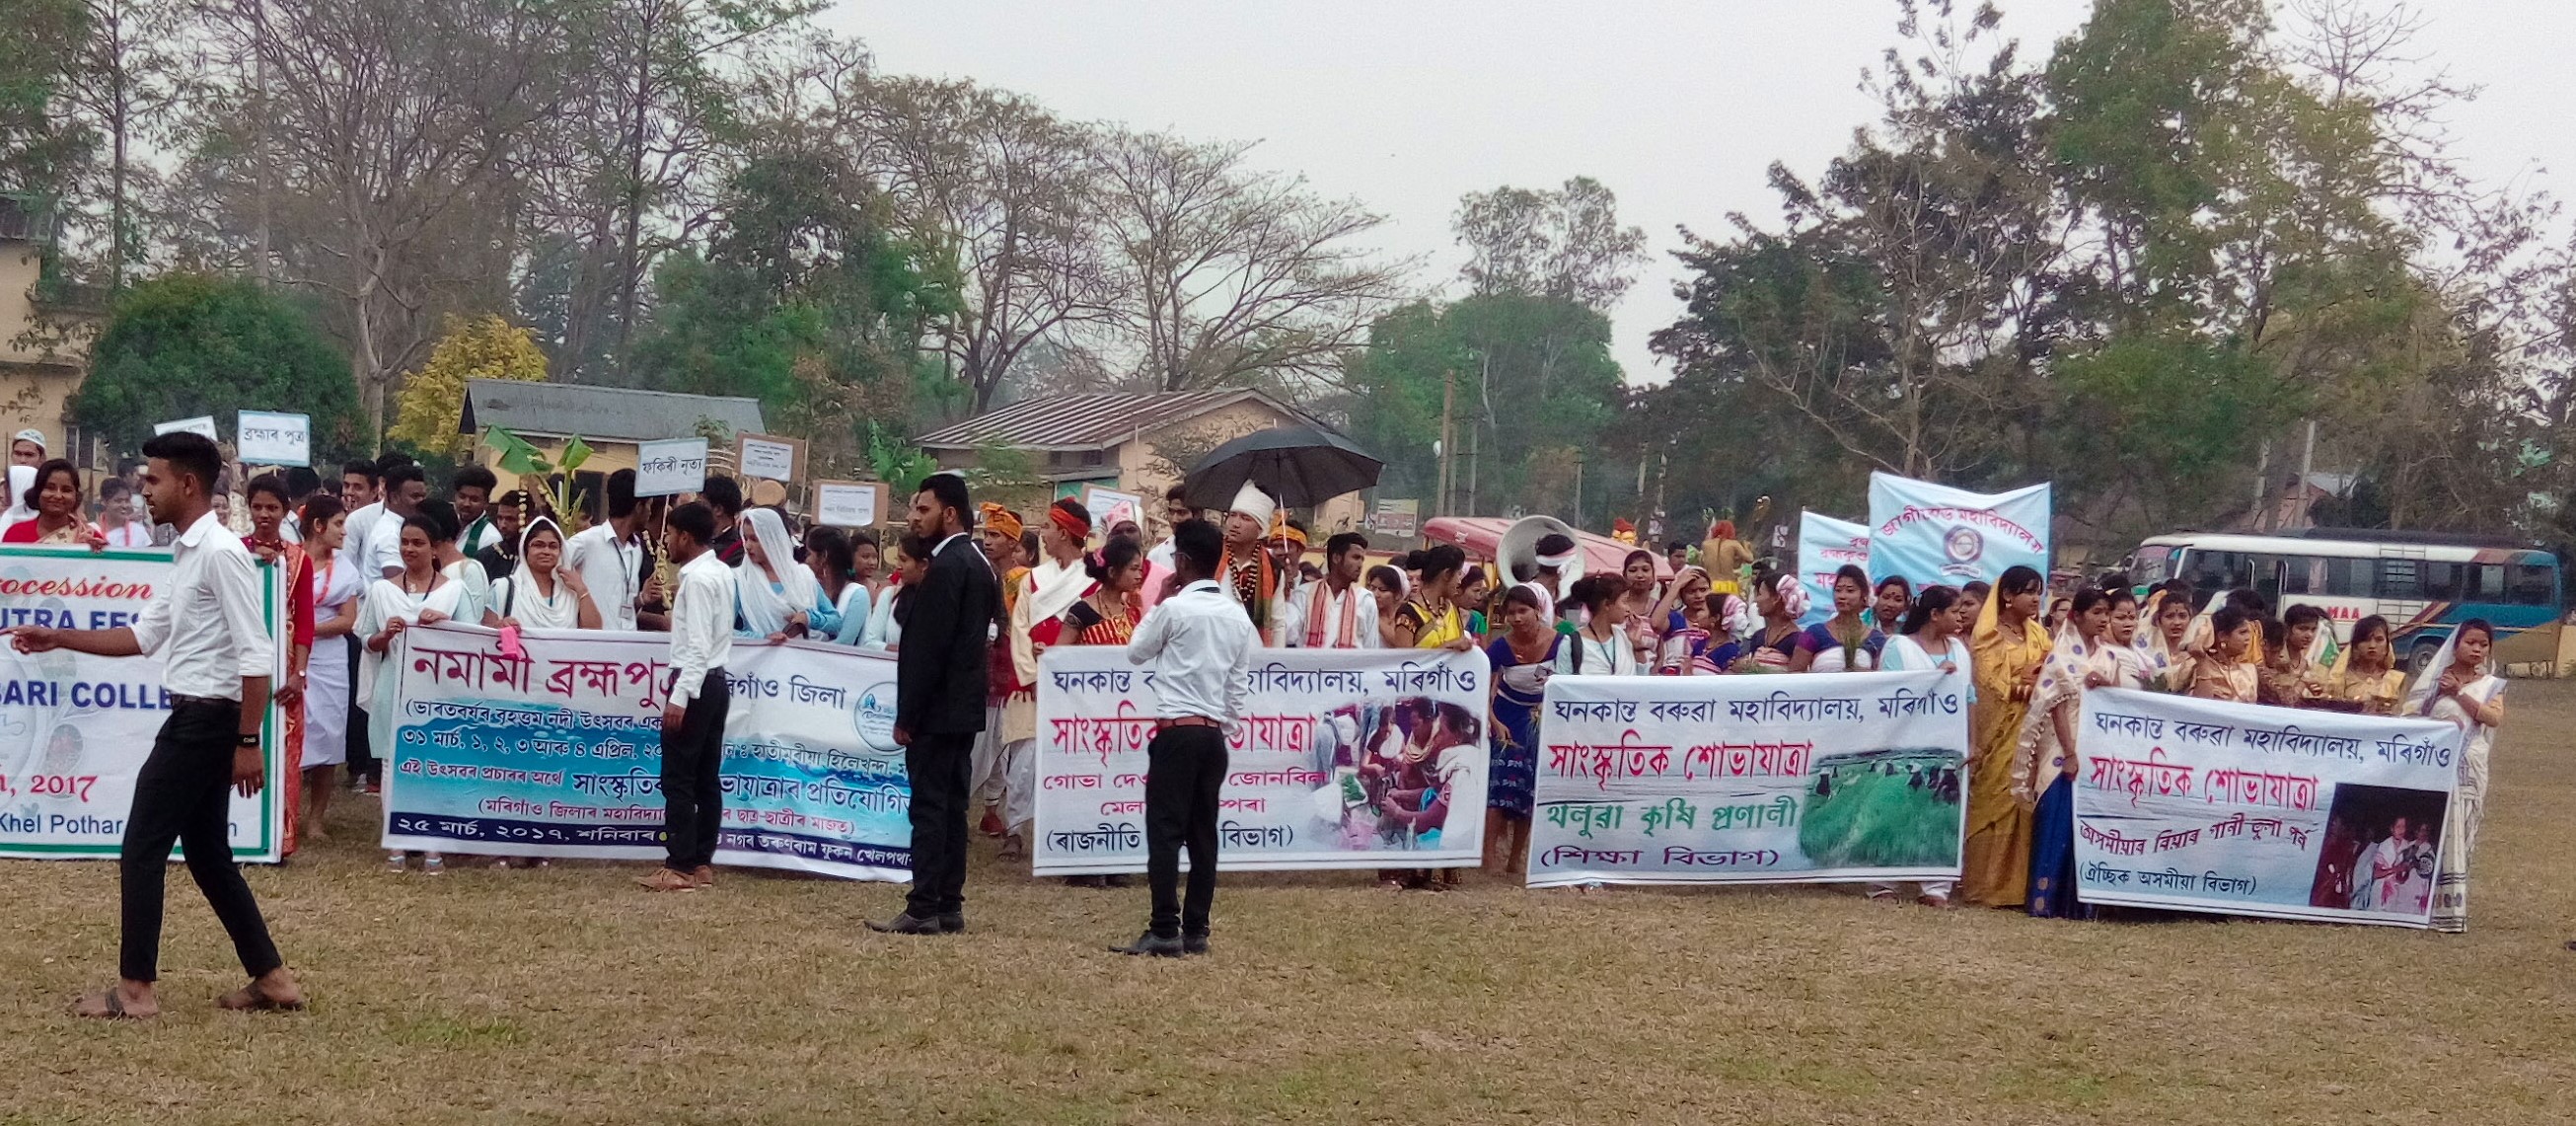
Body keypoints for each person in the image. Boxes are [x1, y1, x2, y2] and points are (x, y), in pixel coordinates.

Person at [6, 430, 304, 1019]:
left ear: (188, 484)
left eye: (154, 478)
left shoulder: (220, 553)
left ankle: (136, 990)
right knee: (208, 853)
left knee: (142, 846)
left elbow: (257, 656)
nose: (145, 489)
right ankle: (273, 979)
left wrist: (249, 740)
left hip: (207, 721)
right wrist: (57, 637)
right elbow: (144, 637)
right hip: (200, 717)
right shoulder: (189, 552)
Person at [1112, 518, 1257, 957]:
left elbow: (1137, 652)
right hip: (1213, 737)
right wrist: (1221, 726)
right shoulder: (1236, 615)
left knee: (1165, 831)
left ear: (1181, 561)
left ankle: (1164, 927)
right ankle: (1196, 930)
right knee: (1203, 833)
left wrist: (1158, 601)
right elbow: (1238, 686)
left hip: (1177, 731)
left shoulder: (1174, 610)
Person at [870, 474, 1000, 936]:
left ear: (949, 513)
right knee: (949, 808)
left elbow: (930, 650)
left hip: (937, 710)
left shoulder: (947, 567)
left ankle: (923, 905)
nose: (913, 517)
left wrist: (908, 715)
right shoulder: (981, 563)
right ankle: (948, 903)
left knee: (930, 808)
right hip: (962, 709)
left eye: (922, 510)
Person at [2016, 588, 2153, 919]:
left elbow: (2119, 702)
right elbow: (2056, 708)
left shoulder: (2108, 657)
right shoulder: (2060, 656)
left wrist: (2105, 684)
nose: (2103, 618)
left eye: (2106, 612)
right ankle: (2044, 901)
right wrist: (2069, 752)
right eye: (2096, 612)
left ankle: (2079, 904)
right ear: (2077, 616)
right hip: (2063, 747)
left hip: (2096, 746)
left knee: (2086, 826)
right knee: (2057, 820)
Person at [637, 502, 734, 892]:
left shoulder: (696, 580)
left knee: (678, 778)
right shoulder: (722, 572)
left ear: (686, 537)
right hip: (715, 681)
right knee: (707, 777)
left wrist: (679, 696)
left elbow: (696, 646)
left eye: (671, 535)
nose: (667, 543)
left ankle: (679, 864)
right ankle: (701, 863)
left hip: (694, 681)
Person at [361, 513, 466, 874]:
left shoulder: (454, 590)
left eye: (418, 543)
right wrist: (386, 635)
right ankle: (397, 843)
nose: (409, 549)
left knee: (434, 766)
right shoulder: (382, 590)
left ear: (435, 548)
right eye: (404, 542)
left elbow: (471, 641)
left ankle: (432, 843)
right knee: (392, 765)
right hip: (394, 687)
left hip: (439, 693)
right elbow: (367, 641)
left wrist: (445, 625)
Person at [998, 497, 1096, 859]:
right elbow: (1020, 628)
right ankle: (1015, 829)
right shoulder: (1033, 579)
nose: (1043, 534)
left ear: (1067, 534)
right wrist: (1033, 674)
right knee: (1023, 756)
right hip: (1031, 685)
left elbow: (1096, 628)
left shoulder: (1091, 580)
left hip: (1074, 686)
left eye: (1049, 528)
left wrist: (1063, 666)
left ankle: (1067, 828)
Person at [1870, 584, 1976, 907]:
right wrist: (1934, 677)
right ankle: (1882, 882)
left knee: (1942, 810)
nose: (1961, 617)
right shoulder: (1899, 647)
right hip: (1904, 743)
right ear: (1934, 614)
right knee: (1894, 808)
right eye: (1955, 611)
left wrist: (1974, 740)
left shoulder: (1959, 649)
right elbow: (1889, 694)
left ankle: (1935, 886)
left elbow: (1969, 696)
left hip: (1948, 745)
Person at [2408, 620, 2504, 934]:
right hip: (2435, 766)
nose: (2477, 649)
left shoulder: (2490, 684)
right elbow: (2412, 714)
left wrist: (2460, 693)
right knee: (2431, 829)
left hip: (2471, 766)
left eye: (2483, 644)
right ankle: (2418, 901)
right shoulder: (2437, 678)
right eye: (2471, 642)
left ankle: (2450, 909)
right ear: (2456, 643)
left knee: (2462, 831)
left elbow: (2493, 717)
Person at [1962, 564, 2049, 909]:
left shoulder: (2041, 635)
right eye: (2028, 591)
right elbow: (1991, 685)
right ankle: (1984, 885)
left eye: (2038, 591)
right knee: (1993, 796)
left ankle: (2016, 888)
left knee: (2023, 798)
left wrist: (2038, 680)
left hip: (2033, 730)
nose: (2035, 598)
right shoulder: (1988, 638)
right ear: (2008, 596)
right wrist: (2026, 684)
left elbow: (2054, 671)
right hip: (1999, 732)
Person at [242, 476, 314, 858]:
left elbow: (305, 622)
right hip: (239, 665)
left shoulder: (299, 559)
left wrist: (298, 674)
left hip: (285, 668)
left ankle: (279, 835)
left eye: (273, 508)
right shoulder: (235, 551)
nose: (265, 515)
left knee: (284, 750)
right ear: (249, 508)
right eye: (258, 507)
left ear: (285, 511)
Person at [1485, 584, 1560, 877]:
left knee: (1530, 788)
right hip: (1506, 718)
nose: (1516, 618)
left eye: (1522, 611)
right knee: (1500, 783)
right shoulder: (1500, 647)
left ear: (1538, 611)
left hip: (1544, 720)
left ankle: (1516, 857)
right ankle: (1489, 856)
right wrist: (1494, 721)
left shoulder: (1562, 643)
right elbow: (1481, 687)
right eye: (1511, 612)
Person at [295, 495, 358, 842]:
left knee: (330, 736)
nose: (343, 532)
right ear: (318, 526)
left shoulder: (345, 568)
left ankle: (316, 818)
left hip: (329, 658)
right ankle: (285, 811)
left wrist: (305, 628)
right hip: (291, 656)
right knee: (291, 731)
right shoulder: (289, 560)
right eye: (337, 524)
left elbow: (348, 620)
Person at [734, 507, 836, 641]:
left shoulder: (803, 576)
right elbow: (722, 631)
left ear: (772, 539)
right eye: (745, 539)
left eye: (754, 539)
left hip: (801, 659)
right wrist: (762, 638)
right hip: (759, 659)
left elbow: (835, 622)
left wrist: (809, 618)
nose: (747, 546)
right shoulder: (740, 579)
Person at [565, 470, 649, 632]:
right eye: (649, 506)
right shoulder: (586, 542)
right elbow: (551, 574)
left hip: (629, 646)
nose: (650, 512)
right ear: (639, 507)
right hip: (596, 645)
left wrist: (642, 599)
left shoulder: (637, 547)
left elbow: (626, 606)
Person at [485, 518, 601, 631]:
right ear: (525, 550)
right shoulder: (503, 589)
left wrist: (582, 590)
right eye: (538, 545)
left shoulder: (571, 593)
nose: (546, 551)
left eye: (553, 546)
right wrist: (500, 626)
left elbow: (593, 633)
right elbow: (485, 636)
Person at [1284, 532, 1381, 649]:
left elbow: (1371, 648)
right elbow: (1288, 635)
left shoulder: (1365, 599)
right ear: (1336, 558)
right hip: (1311, 666)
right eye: (1355, 558)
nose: (1360, 565)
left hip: (1350, 667)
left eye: (1362, 559)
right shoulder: (1303, 595)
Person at [1791, 565, 1886, 673]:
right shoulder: (1814, 633)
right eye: (1838, 590)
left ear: (1863, 595)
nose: (1842, 596)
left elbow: (1882, 679)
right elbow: (1795, 673)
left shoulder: (1876, 639)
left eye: (1850, 591)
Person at [1215, 484, 1279, 636]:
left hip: (1254, 650)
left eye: (1245, 518)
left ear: (1260, 528)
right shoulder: (1211, 554)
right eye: (1232, 515)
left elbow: (1277, 622)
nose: (1235, 524)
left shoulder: (1274, 568)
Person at [1389, 544, 1477, 652]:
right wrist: (1448, 647)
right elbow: (1404, 662)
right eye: (1458, 575)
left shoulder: (1451, 609)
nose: (1459, 581)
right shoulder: (1409, 613)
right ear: (1447, 574)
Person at [861, 532, 935, 652]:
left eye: (904, 560)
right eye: (898, 560)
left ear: (923, 564)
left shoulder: (940, 601)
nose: (898, 566)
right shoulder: (890, 596)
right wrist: (900, 651)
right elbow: (870, 641)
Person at [2, 458, 103, 545]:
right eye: (50, 488)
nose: (58, 496)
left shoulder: (90, 538)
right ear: (38, 492)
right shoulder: (16, 534)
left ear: (75, 496)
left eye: (66, 490)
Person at [1553, 575, 1641, 675]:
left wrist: (1637, 646)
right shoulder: (1571, 643)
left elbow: (1640, 682)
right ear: (1607, 604)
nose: (1628, 608)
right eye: (1624, 601)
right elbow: (1563, 685)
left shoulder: (1622, 636)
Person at [804, 526, 870, 645]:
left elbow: (845, 642)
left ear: (824, 556)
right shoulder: (811, 588)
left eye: (809, 553)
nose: (807, 559)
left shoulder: (857, 594)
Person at [1731, 570, 1807, 672]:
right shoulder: (1759, 636)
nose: (1756, 600)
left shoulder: (1798, 640)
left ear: (1776, 598)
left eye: (1760, 594)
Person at [2327, 615, 2404, 714]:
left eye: (2379, 640)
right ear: (2355, 647)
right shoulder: (2340, 678)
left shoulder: (2396, 680)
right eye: (2365, 640)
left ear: (2387, 646)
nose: (2372, 646)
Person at [2179, 607, 2259, 702]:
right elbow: (2200, 705)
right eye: (2242, 632)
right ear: (2222, 636)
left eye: (2248, 633)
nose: (2248, 638)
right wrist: (2201, 662)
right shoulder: (2198, 665)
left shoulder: (2249, 670)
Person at [364, 463, 428, 581]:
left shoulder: (403, 527)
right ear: (394, 498)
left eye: (423, 496)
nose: (421, 502)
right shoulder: (389, 533)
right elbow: (397, 583)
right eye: (415, 497)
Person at [473, 490, 531, 584]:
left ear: (528, 520)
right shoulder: (485, 558)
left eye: (510, 519)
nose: (503, 525)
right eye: (500, 518)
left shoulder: (539, 558)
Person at [452, 466, 501, 555]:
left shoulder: (490, 537)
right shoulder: (445, 525)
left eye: (474, 499)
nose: (466, 504)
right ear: (455, 496)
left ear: (486, 502)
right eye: (462, 497)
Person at [700, 475, 747, 564]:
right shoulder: (703, 540)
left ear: (718, 510)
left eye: (702, 505)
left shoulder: (738, 551)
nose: (697, 510)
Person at [98, 479, 154, 548]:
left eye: (127, 500)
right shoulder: (93, 531)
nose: (124, 506)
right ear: (104, 502)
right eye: (118, 501)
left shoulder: (138, 532)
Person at [1701, 519, 1751, 595]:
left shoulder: (1705, 544)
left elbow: (1704, 563)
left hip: (1711, 584)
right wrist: (1746, 547)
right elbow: (1750, 559)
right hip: (1729, 585)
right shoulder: (1733, 544)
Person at [1365, 564, 1407, 647]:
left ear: (1397, 594)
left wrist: (1377, 620)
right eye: (1373, 588)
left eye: (1383, 590)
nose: (1376, 594)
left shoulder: (1404, 618)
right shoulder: (1364, 614)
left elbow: (1400, 644)